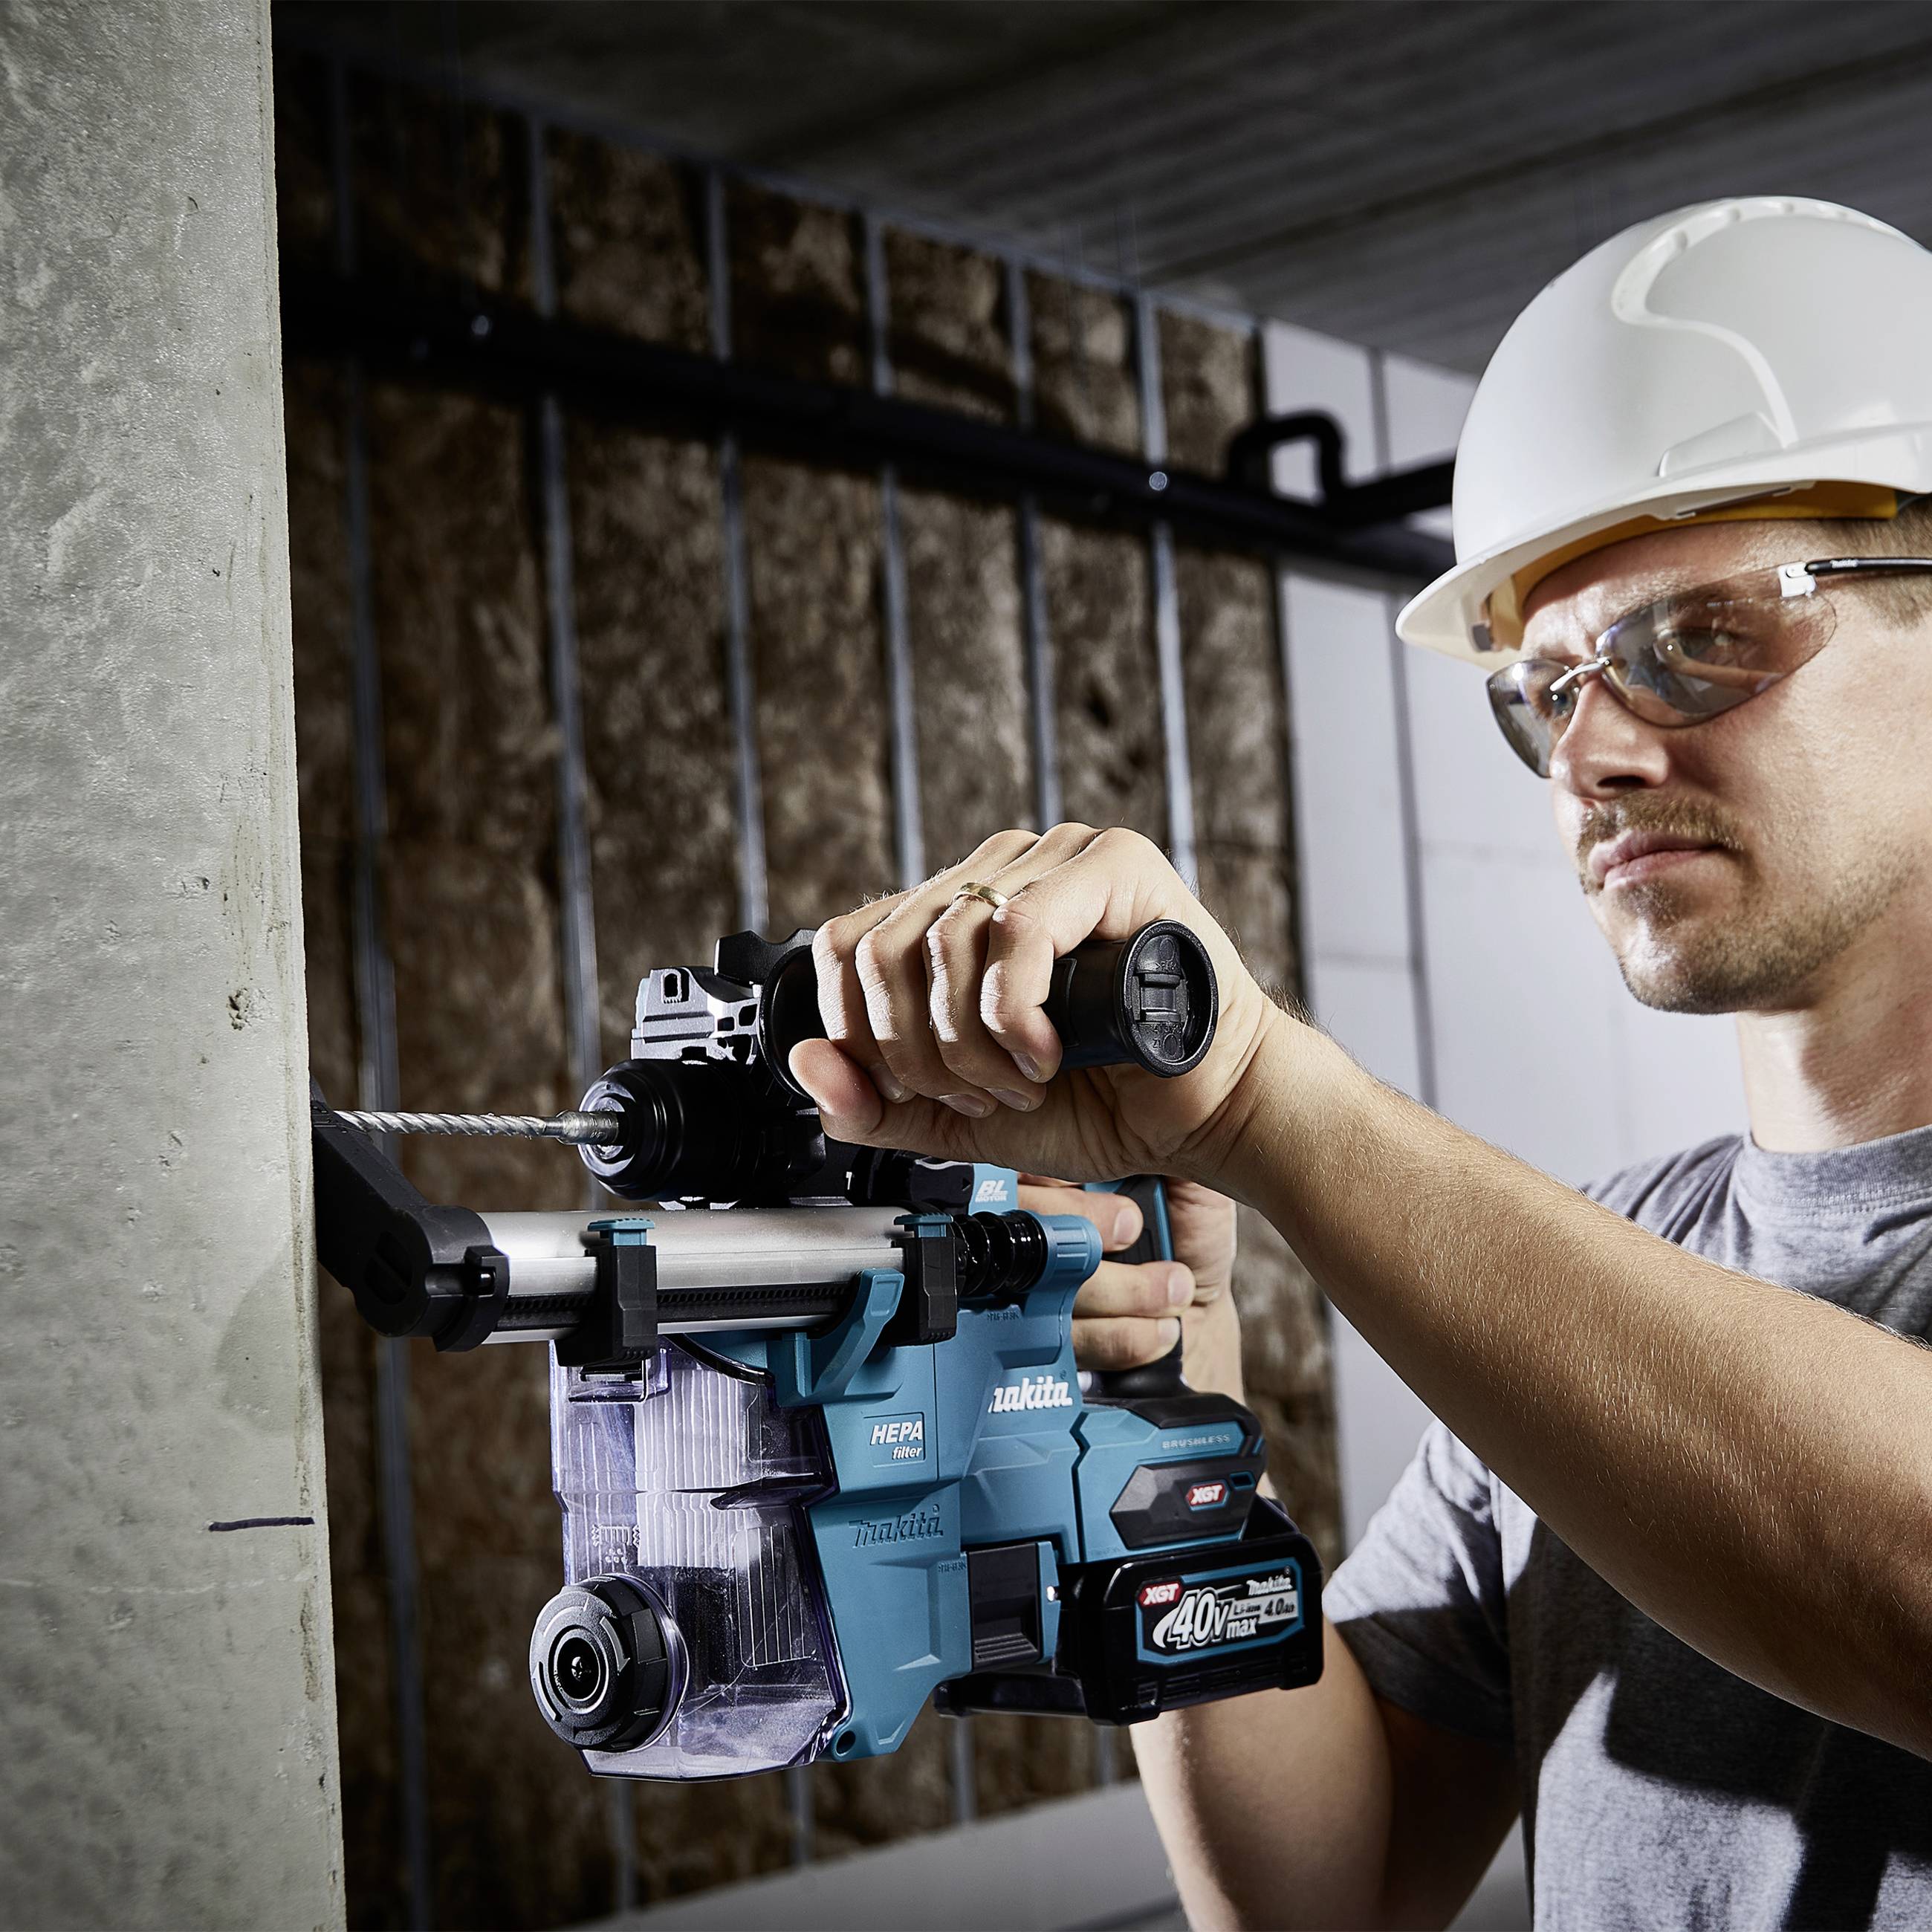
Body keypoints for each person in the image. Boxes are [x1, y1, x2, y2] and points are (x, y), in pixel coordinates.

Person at [787, 198, 1932, 1930]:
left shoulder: (1550, 1315)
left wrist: (1260, 1102)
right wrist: (1147, 1394)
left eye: (1700, 638)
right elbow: (1327, 1889)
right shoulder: (1603, 1273)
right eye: (1545, 691)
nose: (1592, 754)